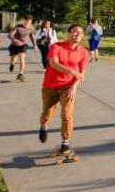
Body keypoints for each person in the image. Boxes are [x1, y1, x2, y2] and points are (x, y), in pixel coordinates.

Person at [38, 24, 89, 154]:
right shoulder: (56, 47)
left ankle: (65, 142)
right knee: (47, 113)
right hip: (50, 86)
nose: (77, 34)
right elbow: (53, 64)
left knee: (67, 114)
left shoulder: (83, 52)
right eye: (75, 31)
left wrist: (74, 87)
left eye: (80, 32)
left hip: (68, 86)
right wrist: (72, 72)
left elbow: (81, 74)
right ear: (69, 33)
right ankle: (44, 126)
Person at [7, 15, 36, 82]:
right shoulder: (18, 27)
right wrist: (15, 40)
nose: (27, 23)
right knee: (13, 59)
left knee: (22, 59)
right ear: (24, 20)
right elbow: (10, 35)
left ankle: (20, 74)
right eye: (26, 21)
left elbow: (32, 37)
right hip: (14, 45)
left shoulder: (30, 29)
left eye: (29, 22)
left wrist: (35, 45)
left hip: (23, 45)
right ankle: (12, 64)